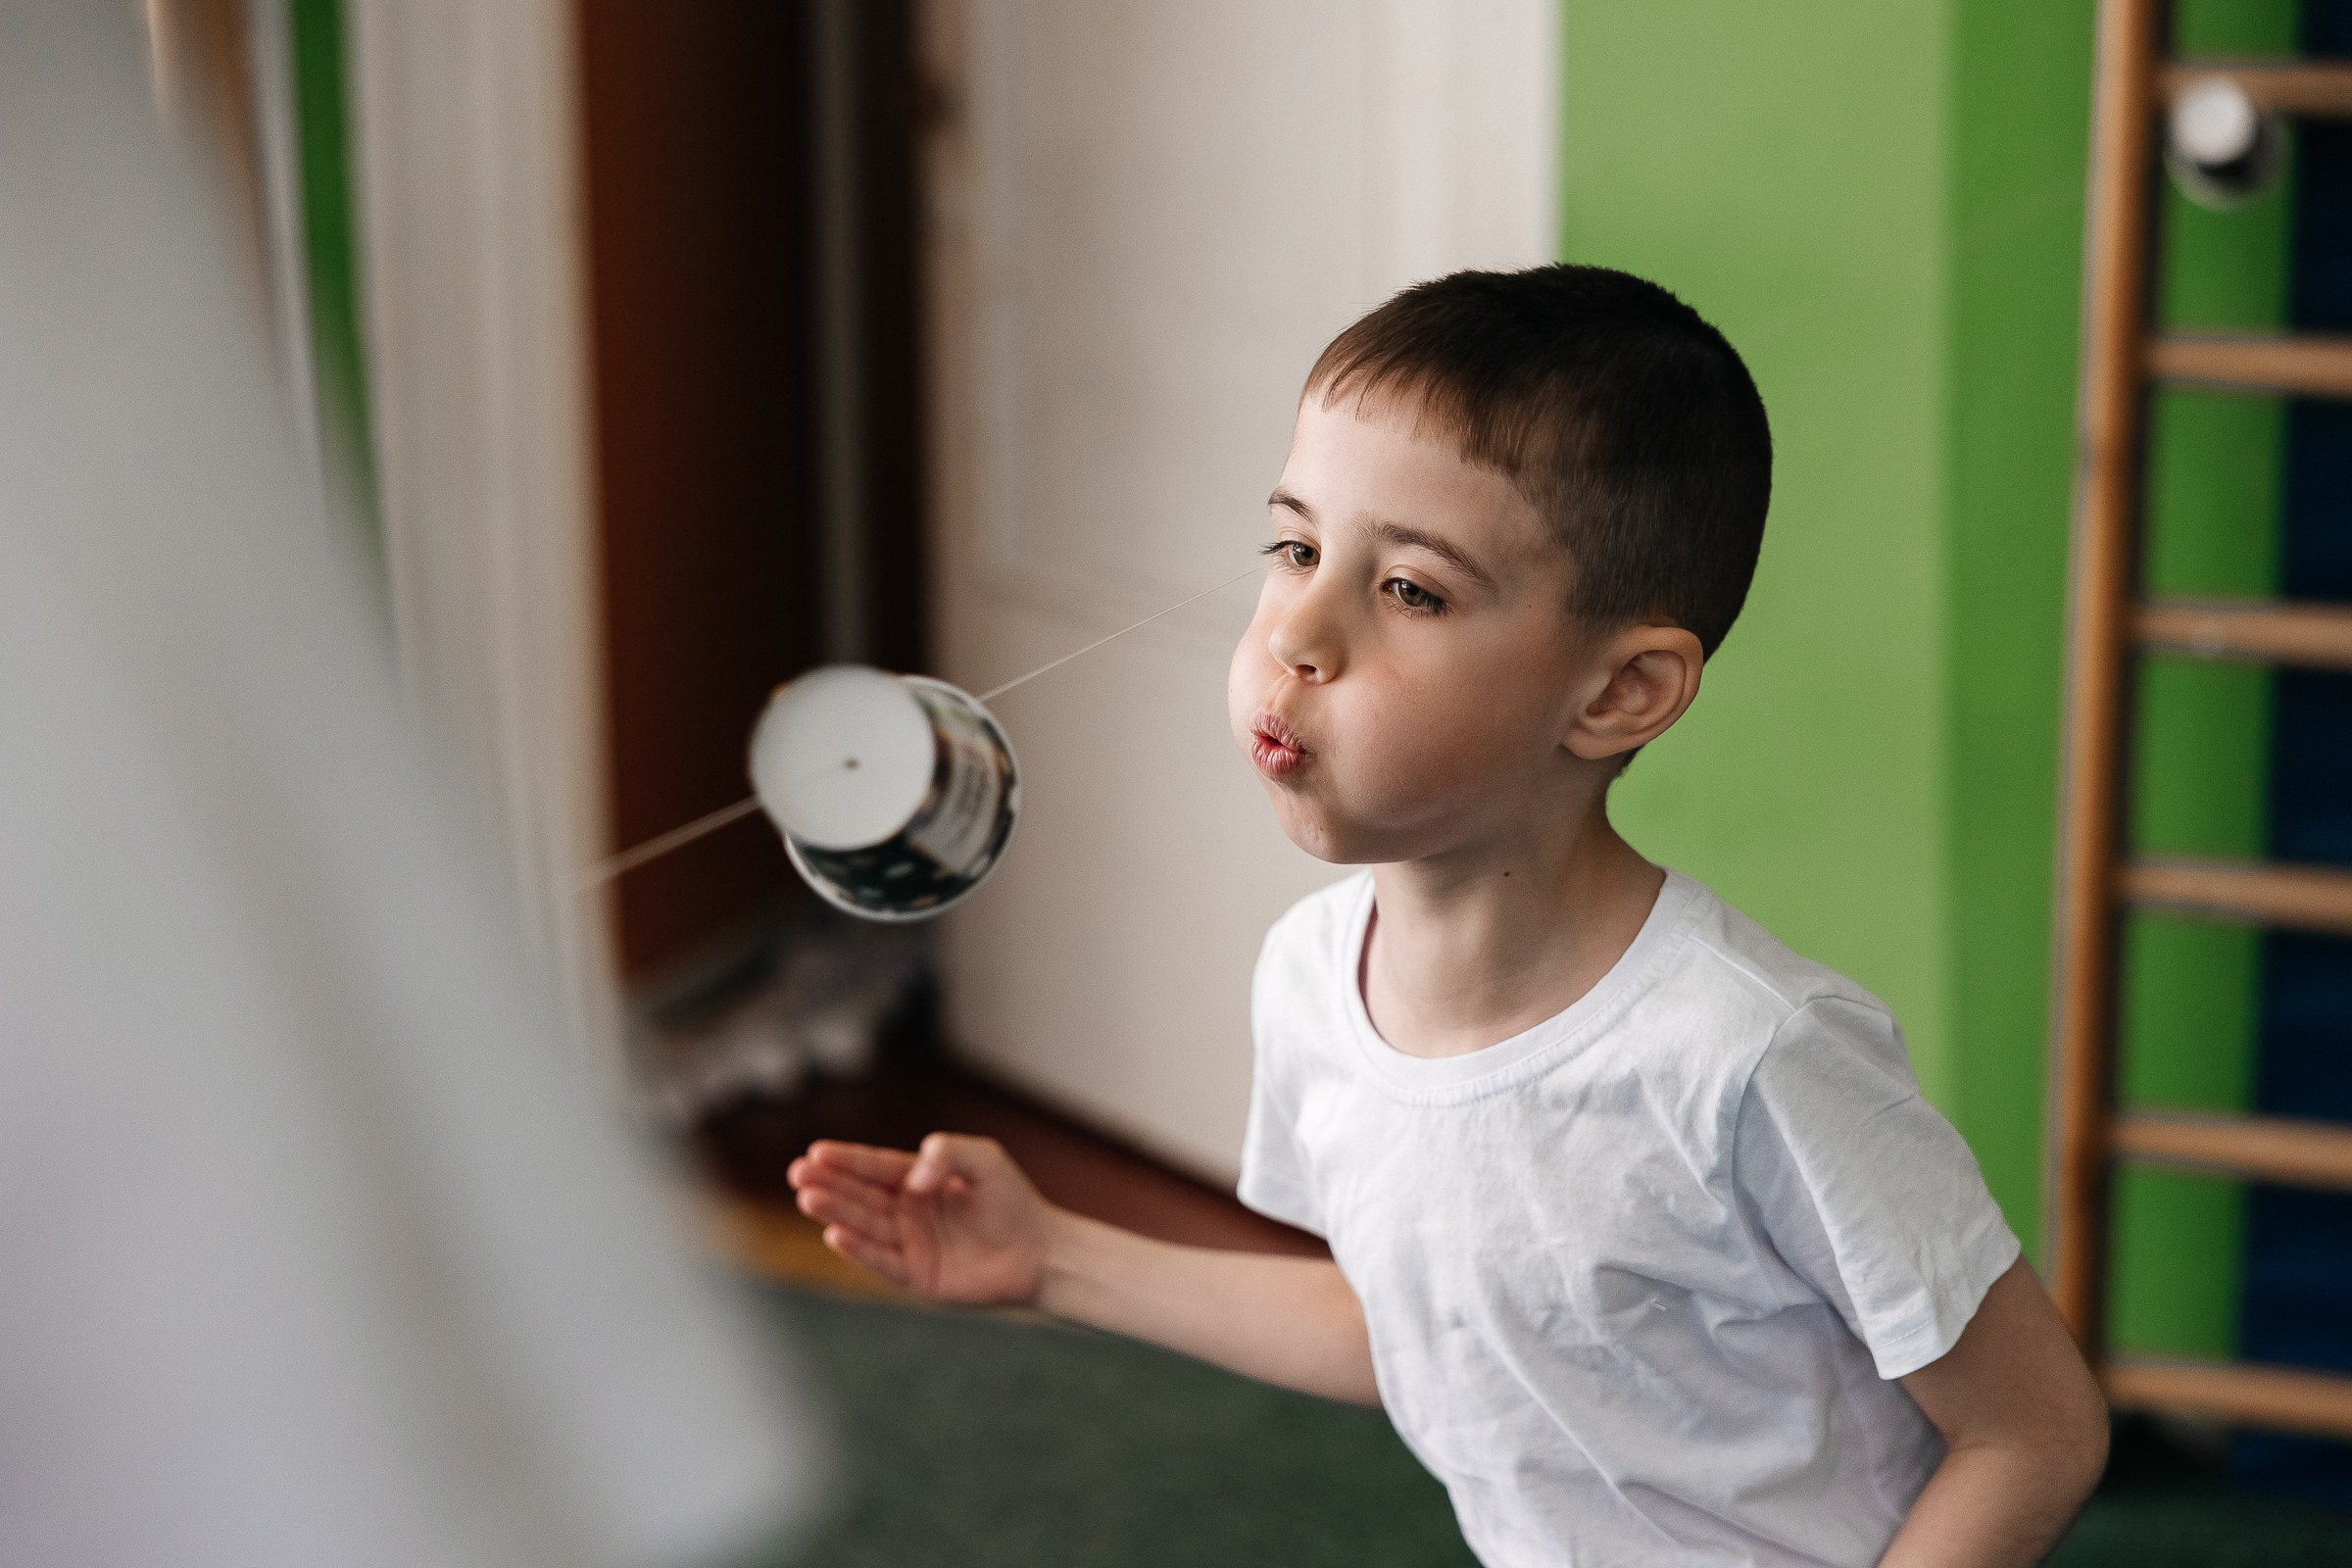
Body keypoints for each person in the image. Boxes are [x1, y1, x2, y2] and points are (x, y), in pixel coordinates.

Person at [787, 265, 2108, 1566]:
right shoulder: (1310, 978)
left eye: (1409, 590)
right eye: (1296, 547)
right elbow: (1425, 1325)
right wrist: (1053, 1260)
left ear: (1622, 694)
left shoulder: (1756, 1056)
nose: (1298, 632)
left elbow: (2034, 1432)